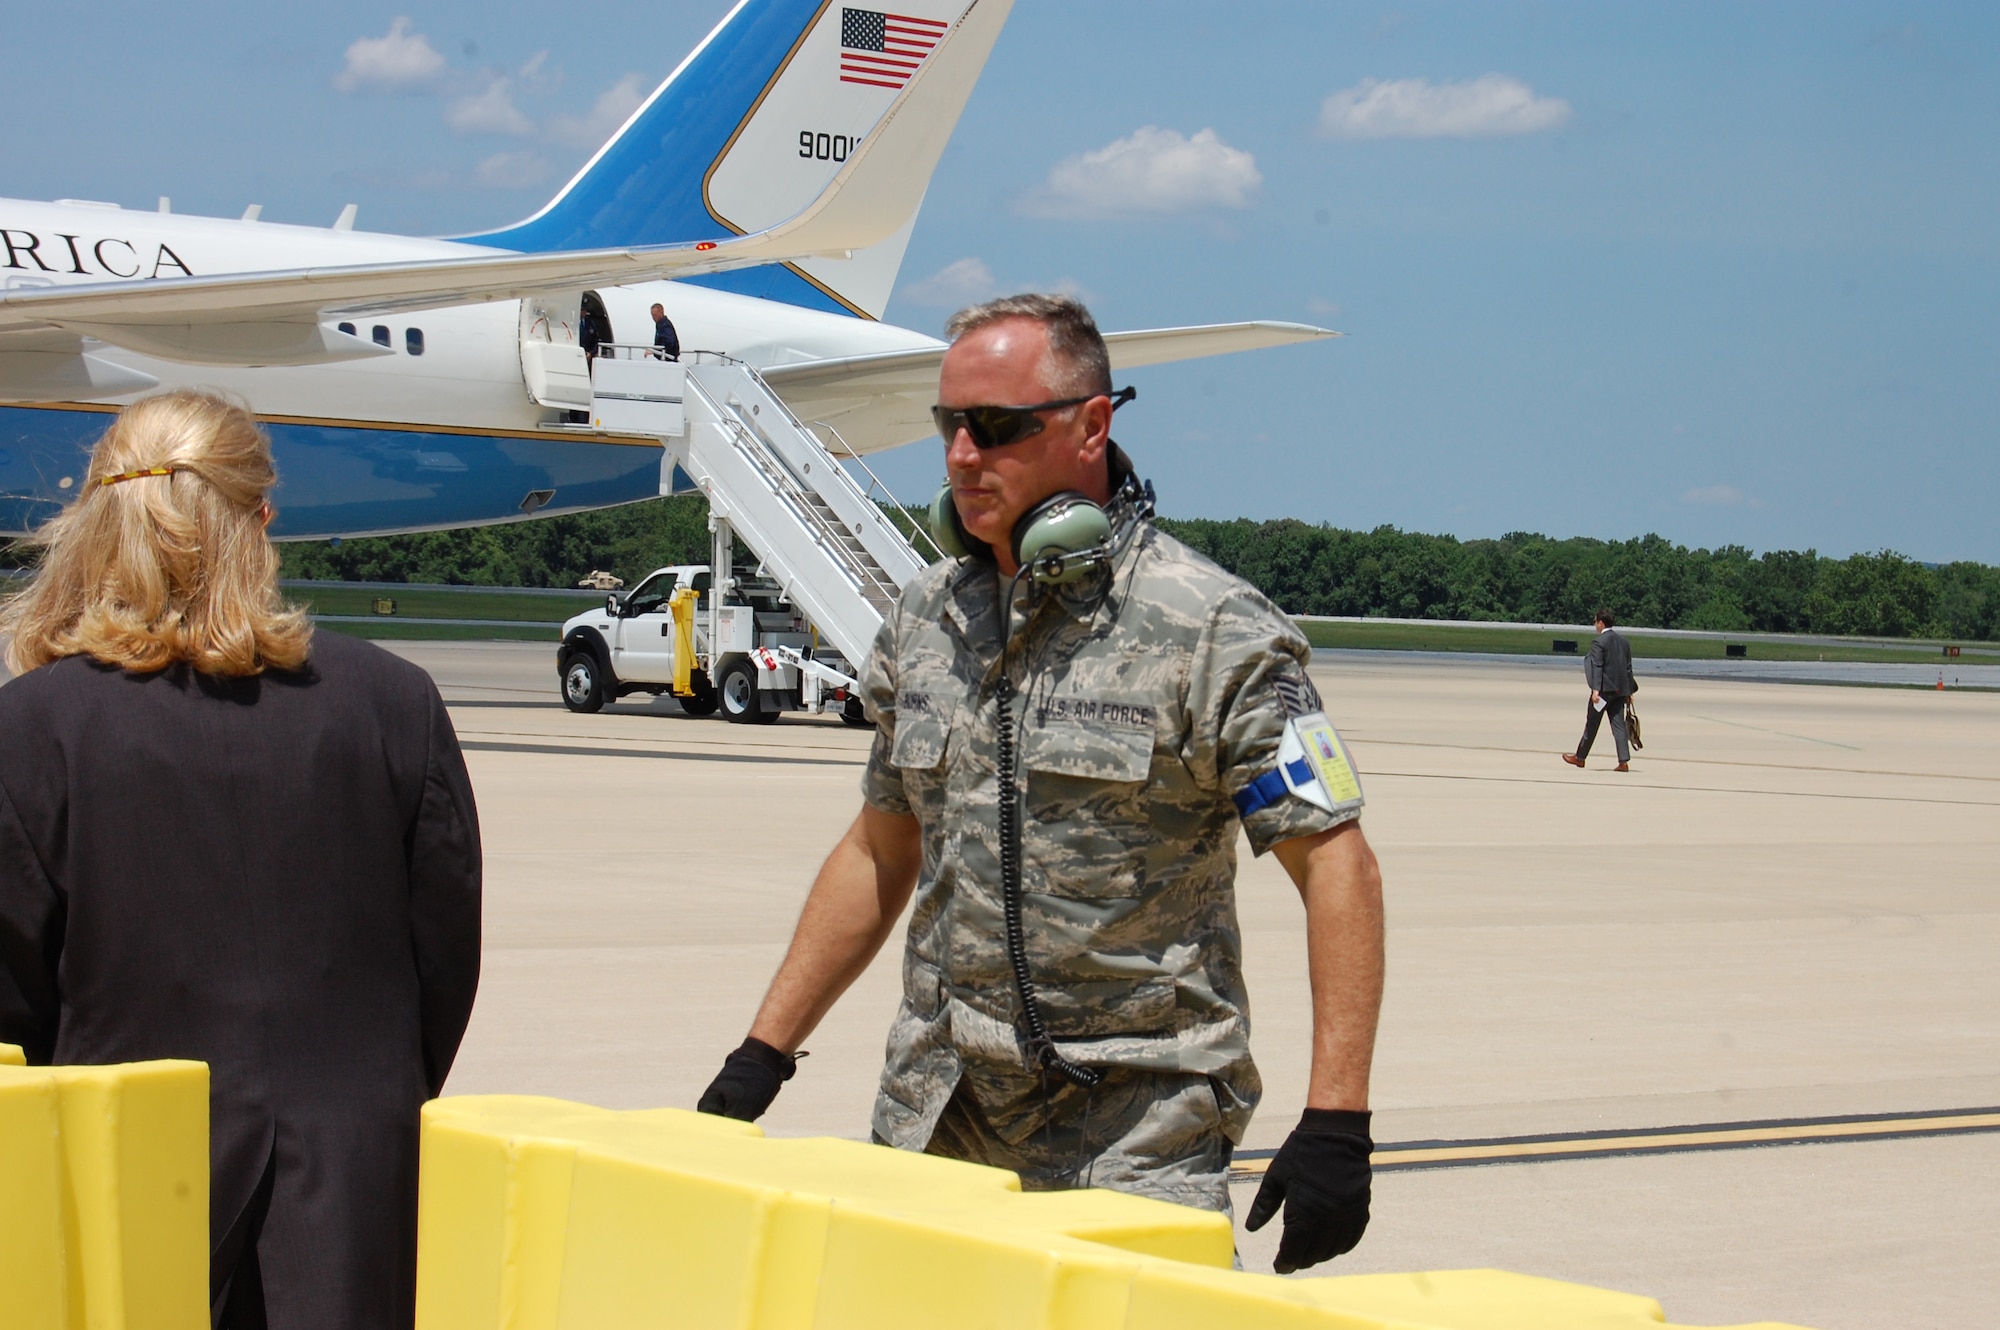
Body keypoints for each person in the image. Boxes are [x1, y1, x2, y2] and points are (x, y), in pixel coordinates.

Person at [695, 295, 1385, 1275]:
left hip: (1134, 1133)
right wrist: (760, 1054)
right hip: (936, 1120)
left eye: (998, 427)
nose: (961, 455)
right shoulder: (925, 620)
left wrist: (1337, 1117)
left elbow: (1336, 865)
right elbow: (879, 849)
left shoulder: (1212, 629)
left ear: (1090, 425)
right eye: (948, 425)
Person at [0, 391, 483, 1330]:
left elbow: (12, 992)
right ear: (261, 522)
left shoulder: (32, 726)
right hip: (354, 1189)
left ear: (98, 522)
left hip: (122, 1178)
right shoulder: (396, 701)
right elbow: (442, 961)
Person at [1563, 608, 1638, 770]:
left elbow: (1597, 666)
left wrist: (1596, 690)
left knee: (1592, 723)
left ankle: (1580, 757)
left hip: (1604, 692)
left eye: (1595, 622)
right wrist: (1629, 691)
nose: (1594, 625)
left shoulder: (1599, 642)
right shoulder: (1624, 642)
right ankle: (1623, 761)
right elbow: (1628, 668)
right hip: (1620, 691)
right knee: (1618, 726)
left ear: (1601, 623)